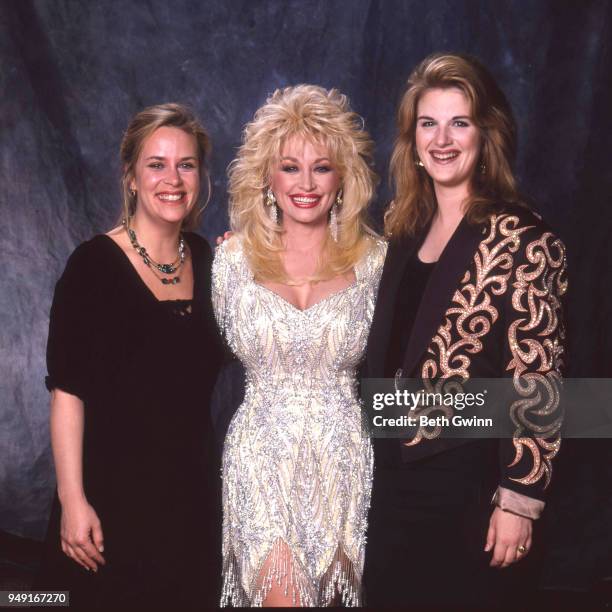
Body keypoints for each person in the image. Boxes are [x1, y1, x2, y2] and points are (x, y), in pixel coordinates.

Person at [363, 54, 567, 606]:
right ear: (412, 137)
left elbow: (539, 377)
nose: (443, 140)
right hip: (391, 476)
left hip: (470, 481)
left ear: (486, 133)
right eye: (428, 123)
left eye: (460, 122)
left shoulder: (524, 238)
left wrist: (519, 499)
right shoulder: (403, 229)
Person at [37, 104, 223, 610]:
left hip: (190, 502)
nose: (173, 178)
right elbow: (68, 393)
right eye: (156, 164)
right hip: (109, 502)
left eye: (186, 164)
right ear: (132, 177)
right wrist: (74, 502)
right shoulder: (93, 265)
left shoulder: (212, 260)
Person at [212, 85, 387, 607]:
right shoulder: (229, 261)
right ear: (267, 176)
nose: (305, 184)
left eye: (321, 168)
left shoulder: (380, 262)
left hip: (345, 459)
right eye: (290, 167)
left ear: (343, 179)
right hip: (260, 458)